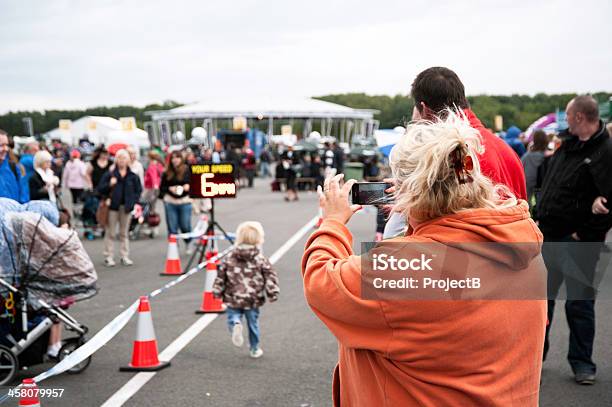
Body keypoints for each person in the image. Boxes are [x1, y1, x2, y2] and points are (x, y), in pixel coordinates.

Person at [302, 113, 546, 406]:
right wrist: (416, 214)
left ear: (411, 192)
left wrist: (332, 223)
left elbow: (322, 282)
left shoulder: (409, 267)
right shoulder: (523, 248)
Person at [383, 66, 527, 238]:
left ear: (425, 109)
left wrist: (414, 209)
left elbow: (456, 223)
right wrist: (416, 194)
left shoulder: (458, 154)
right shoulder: (502, 147)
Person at [536, 95, 612, 385]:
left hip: (579, 242)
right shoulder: (568, 144)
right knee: (542, 302)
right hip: (550, 235)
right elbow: (552, 182)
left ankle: (582, 363)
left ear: (580, 117)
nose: (565, 122)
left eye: (568, 116)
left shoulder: (605, 150)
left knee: (579, 303)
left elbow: (609, 203)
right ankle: (535, 356)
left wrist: (587, 233)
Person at [213, 221, 279, 358]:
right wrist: (272, 293)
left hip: (233, 296)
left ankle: (236, 324)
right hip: (252, 299)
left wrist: (217, 291)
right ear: (258, 239)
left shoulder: (229, 258)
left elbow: (221, 275)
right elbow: (270, 276)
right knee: (253, 324)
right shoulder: (260, 259)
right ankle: (254, 348)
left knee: (233, 316)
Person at [97, 149, 142, 267]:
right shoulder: (110, 174)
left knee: (124, 232)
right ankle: (108, 256)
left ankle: (124, 256)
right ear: (116, 160)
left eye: (124, 158)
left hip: (126, 207)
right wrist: (109, 185)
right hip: (112, 206)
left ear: (128, 160)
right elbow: (100, 189)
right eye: (119, 158)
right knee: (110, 232)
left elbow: (138, 190)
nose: (122, 161)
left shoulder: (132, 176)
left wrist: (133, 202)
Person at [159, 150, 192, 243]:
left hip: (184, 201)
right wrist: (170, 188)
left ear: (181, 159)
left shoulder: (187, 170)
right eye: (173, 158)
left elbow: (194, 183)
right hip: (171, 201)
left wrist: (188, 186)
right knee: (172, 227)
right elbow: (161, 187)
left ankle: (188, 242)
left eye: (177, 157)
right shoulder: (166, 172)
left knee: (185, 226)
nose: (175, 160)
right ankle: (173, 248)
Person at [521, 130, 549, 209]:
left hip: (528, 181)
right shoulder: (549, 156)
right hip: (543, 183)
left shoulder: (527, 156)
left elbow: (521, 166)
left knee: (527, 200)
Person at [0, 129, 29, 203]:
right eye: (1, 145)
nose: (6, 149)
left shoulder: (14, 168)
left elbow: (24, 197)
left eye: (6, 145)